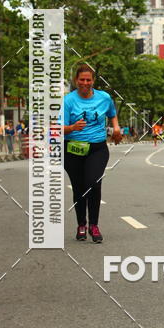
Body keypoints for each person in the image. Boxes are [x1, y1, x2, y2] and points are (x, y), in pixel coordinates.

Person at [62, 63, 122, 243]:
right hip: (72, 148)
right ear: (76, 81)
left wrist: (116, 128)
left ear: (93, 81)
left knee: (93, 183)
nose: (85, 83)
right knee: (79, 187)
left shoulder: (104, 97)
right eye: (82, 80)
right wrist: (72, 127)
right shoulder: (68, 101)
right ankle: (81, 224)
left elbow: (112, 113)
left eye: (88, 80)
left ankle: (94, 225)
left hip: (97, 148)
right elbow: (59, 128)